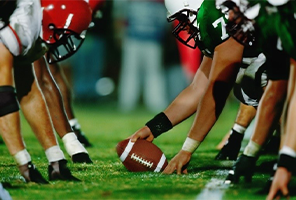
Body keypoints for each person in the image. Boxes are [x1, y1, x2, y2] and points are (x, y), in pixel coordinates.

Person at [128, 0, 287, 176]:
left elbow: (216, 92)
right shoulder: (212, 23)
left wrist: (187, 150)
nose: (184, 26)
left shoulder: (213, 16)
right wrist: (153, 128)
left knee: (256, 86)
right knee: (252, 85)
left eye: (183, 18)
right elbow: (198, 88)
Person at [113, 0, 169, 113]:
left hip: (153, 39)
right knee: (130, 71)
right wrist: (120, 34)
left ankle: (156, 103)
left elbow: (166, 19)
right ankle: (127, 102)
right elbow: (120, 15)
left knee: (154, 72)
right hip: (133, 38)